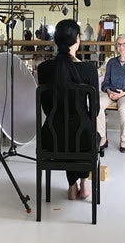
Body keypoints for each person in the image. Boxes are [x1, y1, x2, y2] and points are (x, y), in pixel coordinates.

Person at [37, 19, 99, 200]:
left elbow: (46, 107)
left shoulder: (44, 69)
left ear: (56, 40)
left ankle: (72, 186)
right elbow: (94, 110)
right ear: (78, 39)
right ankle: (83, 184)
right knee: (84, 135)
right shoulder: (88, 69)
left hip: (51, 138)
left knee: (66, 133)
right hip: (82, 139)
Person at [96, 34, 125, 153]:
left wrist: (124, 93)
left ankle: (123, 140)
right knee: (97, 104)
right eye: (119, 44)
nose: (121, 47)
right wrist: (109, 91)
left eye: (124, 44)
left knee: (124, 107)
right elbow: (105, 82)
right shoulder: (111, 62)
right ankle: (102, 138)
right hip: (111, 92)